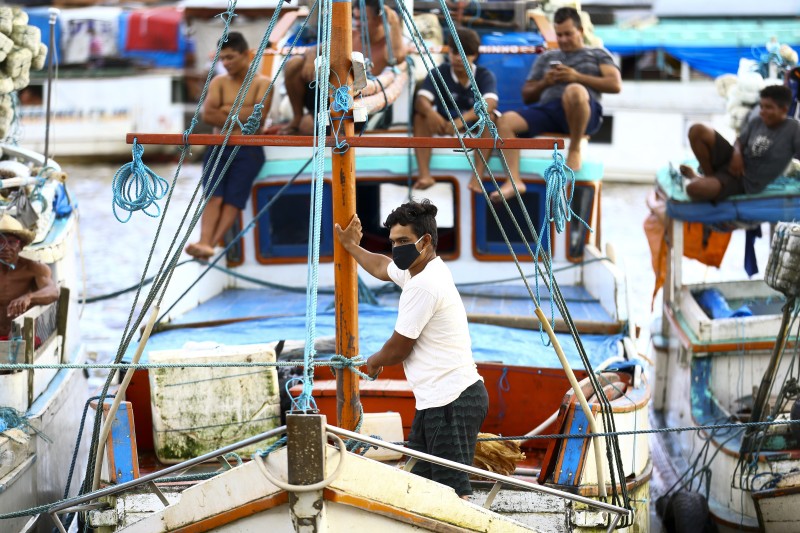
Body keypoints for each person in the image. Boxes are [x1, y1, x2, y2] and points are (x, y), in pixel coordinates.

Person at [334, 199, 488, 498]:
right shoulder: (420, 268)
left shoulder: (424, 285)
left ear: (425, 240)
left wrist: (374, 361)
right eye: (393, 242)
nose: (396, 248)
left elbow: (398, 349)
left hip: (451, 402)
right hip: (436, 402)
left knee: (452, 495)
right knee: (419, 486)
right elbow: (381, 267)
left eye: (403, 241)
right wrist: (352, 247)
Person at [475, 6, 621, 201]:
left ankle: (575, 147)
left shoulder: (598, 54)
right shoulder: (546, 57)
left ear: (581, 31)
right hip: (548, 109)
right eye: (559, 35)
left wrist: (576, 76)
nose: (563, 39)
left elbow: (614, 84)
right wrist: (546, 82)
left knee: (574, 90)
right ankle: (514, 180)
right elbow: (527, 95)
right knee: (506, 121)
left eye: (568, 34)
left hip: (582, 110)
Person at [185, 32, 272, 259]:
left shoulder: (262, 84)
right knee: (213, 195)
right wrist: (239, 112)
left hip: (249, 150)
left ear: (247, 55)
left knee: (233, 200)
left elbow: (258, 118)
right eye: (222, 59)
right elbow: (209, 115)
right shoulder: (219, 82)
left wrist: (226, 109)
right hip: (219, 146)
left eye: (231, 57)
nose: (226, 63)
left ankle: (209, 245)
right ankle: (204, 241)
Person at [279, 0, 406, 135]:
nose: (357, 23)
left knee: (307, 125)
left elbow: (397, 58)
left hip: (361, 107)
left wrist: (394, 21)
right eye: (355, 18)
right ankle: (297, 117)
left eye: (363, 19)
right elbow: (317, 48)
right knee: (295, 64)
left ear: (379, 19)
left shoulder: (388, 46)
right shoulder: (352, 36)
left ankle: (309, 124)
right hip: (334, 96)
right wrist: (311, 58)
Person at [413, 27, 498, 191]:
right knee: (420, 116)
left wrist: (458, 122)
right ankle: (425, 175)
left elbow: (490, 104)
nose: (459, 58)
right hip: (442, 124)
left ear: (475, 55)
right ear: (449, 52)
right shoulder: (439, 73)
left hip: (472, 127)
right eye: (455, 52)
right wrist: (430, 113)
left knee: (490, 119)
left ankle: (477, 177)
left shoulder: (484, 75)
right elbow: (421, 100)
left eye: (465, 54)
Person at [681, 85, 800, 201]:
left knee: (693, 189)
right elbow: (740, 140)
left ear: (784, 109)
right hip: (732, 159)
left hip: (743, 180)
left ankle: (699, 179)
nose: (762, 112)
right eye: (761, 106)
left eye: (768, 107)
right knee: (697, 130)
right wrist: (737, 154)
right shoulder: (758, 121)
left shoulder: (793, 129)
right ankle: (708, 177)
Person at [0, 215, 59, 338]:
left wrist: (29, 297)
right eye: (0, 242)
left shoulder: (34, 269)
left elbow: (53, 291)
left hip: (21, 338)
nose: (5, 248)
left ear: (21, 246)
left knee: (17, 338)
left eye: (11, 242)